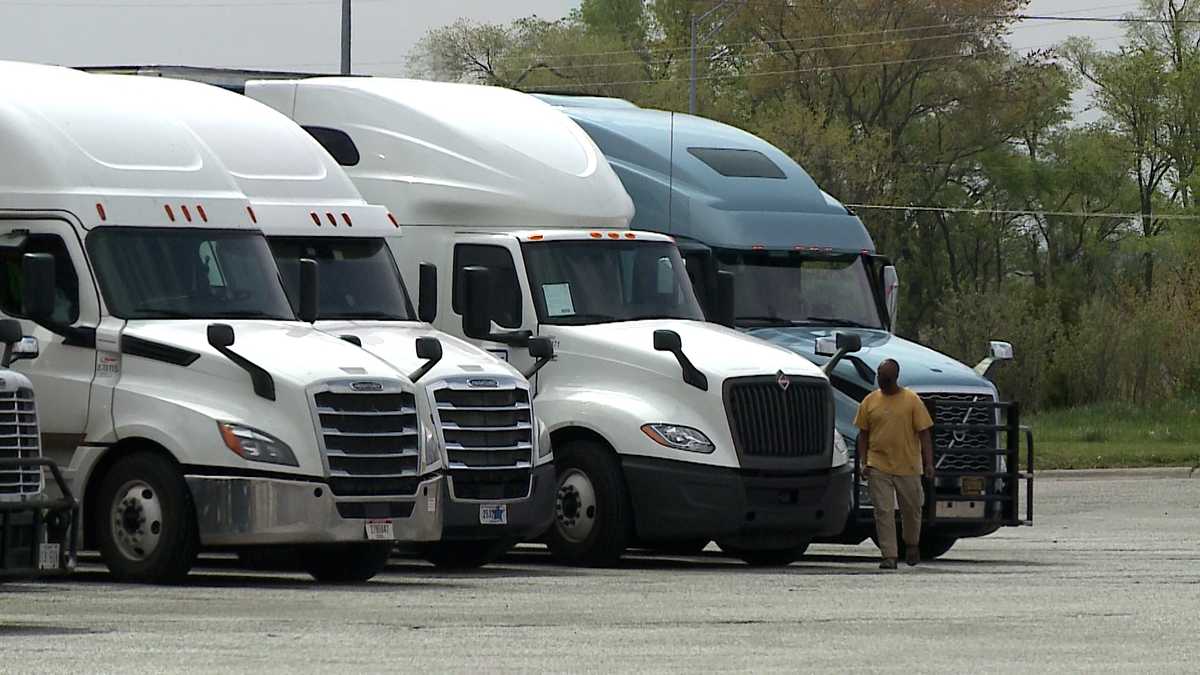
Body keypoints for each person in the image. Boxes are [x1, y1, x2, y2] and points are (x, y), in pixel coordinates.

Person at [853, 359, 935, 569]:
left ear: (895, 378)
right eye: (880, 377)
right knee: (883, 511)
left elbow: (924, 434)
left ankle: (912, 543)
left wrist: (928, 463)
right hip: (878, 464)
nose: (883, 382)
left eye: (887, 378)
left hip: (907, 465)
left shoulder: (911, 400)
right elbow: (863, 434)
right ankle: (889, 555)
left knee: (912, 509)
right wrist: (864, 462)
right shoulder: (870, 402)